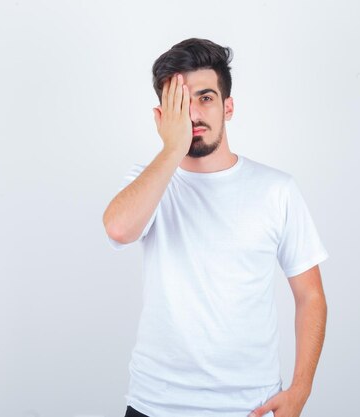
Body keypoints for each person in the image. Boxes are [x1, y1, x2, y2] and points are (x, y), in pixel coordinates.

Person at [102, 38, 330, 417]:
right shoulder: (149, 182)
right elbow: (119, 230)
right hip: (155, 406)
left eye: (205, 98)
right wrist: (173, 149)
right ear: (162, 117)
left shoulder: (276, 189)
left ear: (228, 107)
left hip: (250, 407)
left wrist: (301, 389)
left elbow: (310, 296)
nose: (193, 114)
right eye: (180, 103)